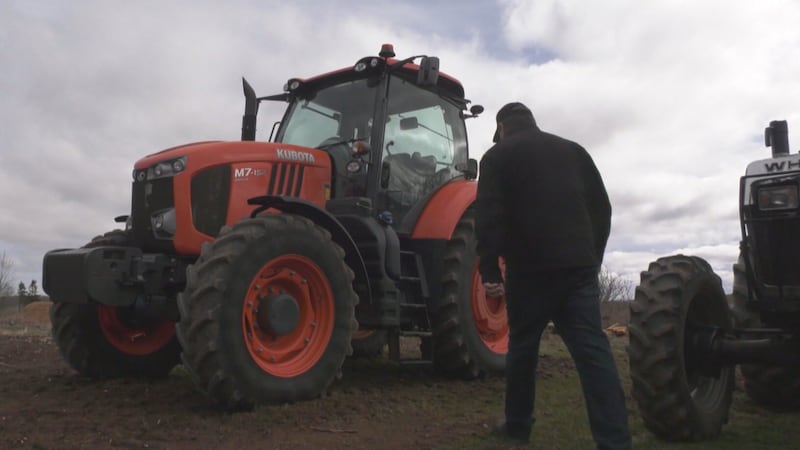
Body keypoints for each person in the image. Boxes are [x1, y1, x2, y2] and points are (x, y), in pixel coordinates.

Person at [476, 102, 631, 449]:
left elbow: (489, 217)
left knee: (523, 350)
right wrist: (592, 259)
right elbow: (601, 209)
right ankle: (615, 442)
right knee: (594, 354)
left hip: (529, 271)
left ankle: (518, 428)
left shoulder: (497, 156)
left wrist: (488, 268)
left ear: (502, 127)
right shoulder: (574, 151)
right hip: (578, 269)